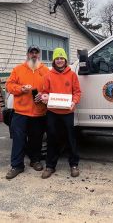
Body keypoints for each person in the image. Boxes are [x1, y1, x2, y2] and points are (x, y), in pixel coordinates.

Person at [5, 45, 49, 179]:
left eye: (36, 52)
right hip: (21, 112)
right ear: (27, 54)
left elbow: (50, 89)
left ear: (39, 55)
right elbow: (9, 85)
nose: (34, 55)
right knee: (18, 139)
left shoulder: (45, 71)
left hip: (38, 112)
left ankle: (35, 160)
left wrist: (43, 95)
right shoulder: (18, 69)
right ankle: (17, 166)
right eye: (31, 52)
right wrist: (21, 89)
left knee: (36, 138)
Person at [41, 48, 81, 179]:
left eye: (61, 58)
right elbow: (44, 91)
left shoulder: (72, 75)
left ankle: (74, 165)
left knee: (71, 138)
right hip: (52, 112)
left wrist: (74, 102)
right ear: (54, 60)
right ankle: (50, 166)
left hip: (68, 112)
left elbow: (77, 92)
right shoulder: (48, 75)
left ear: (65, 60)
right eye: (57, 58)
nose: (59, 60)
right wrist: (44, 97)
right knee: (52, 138)